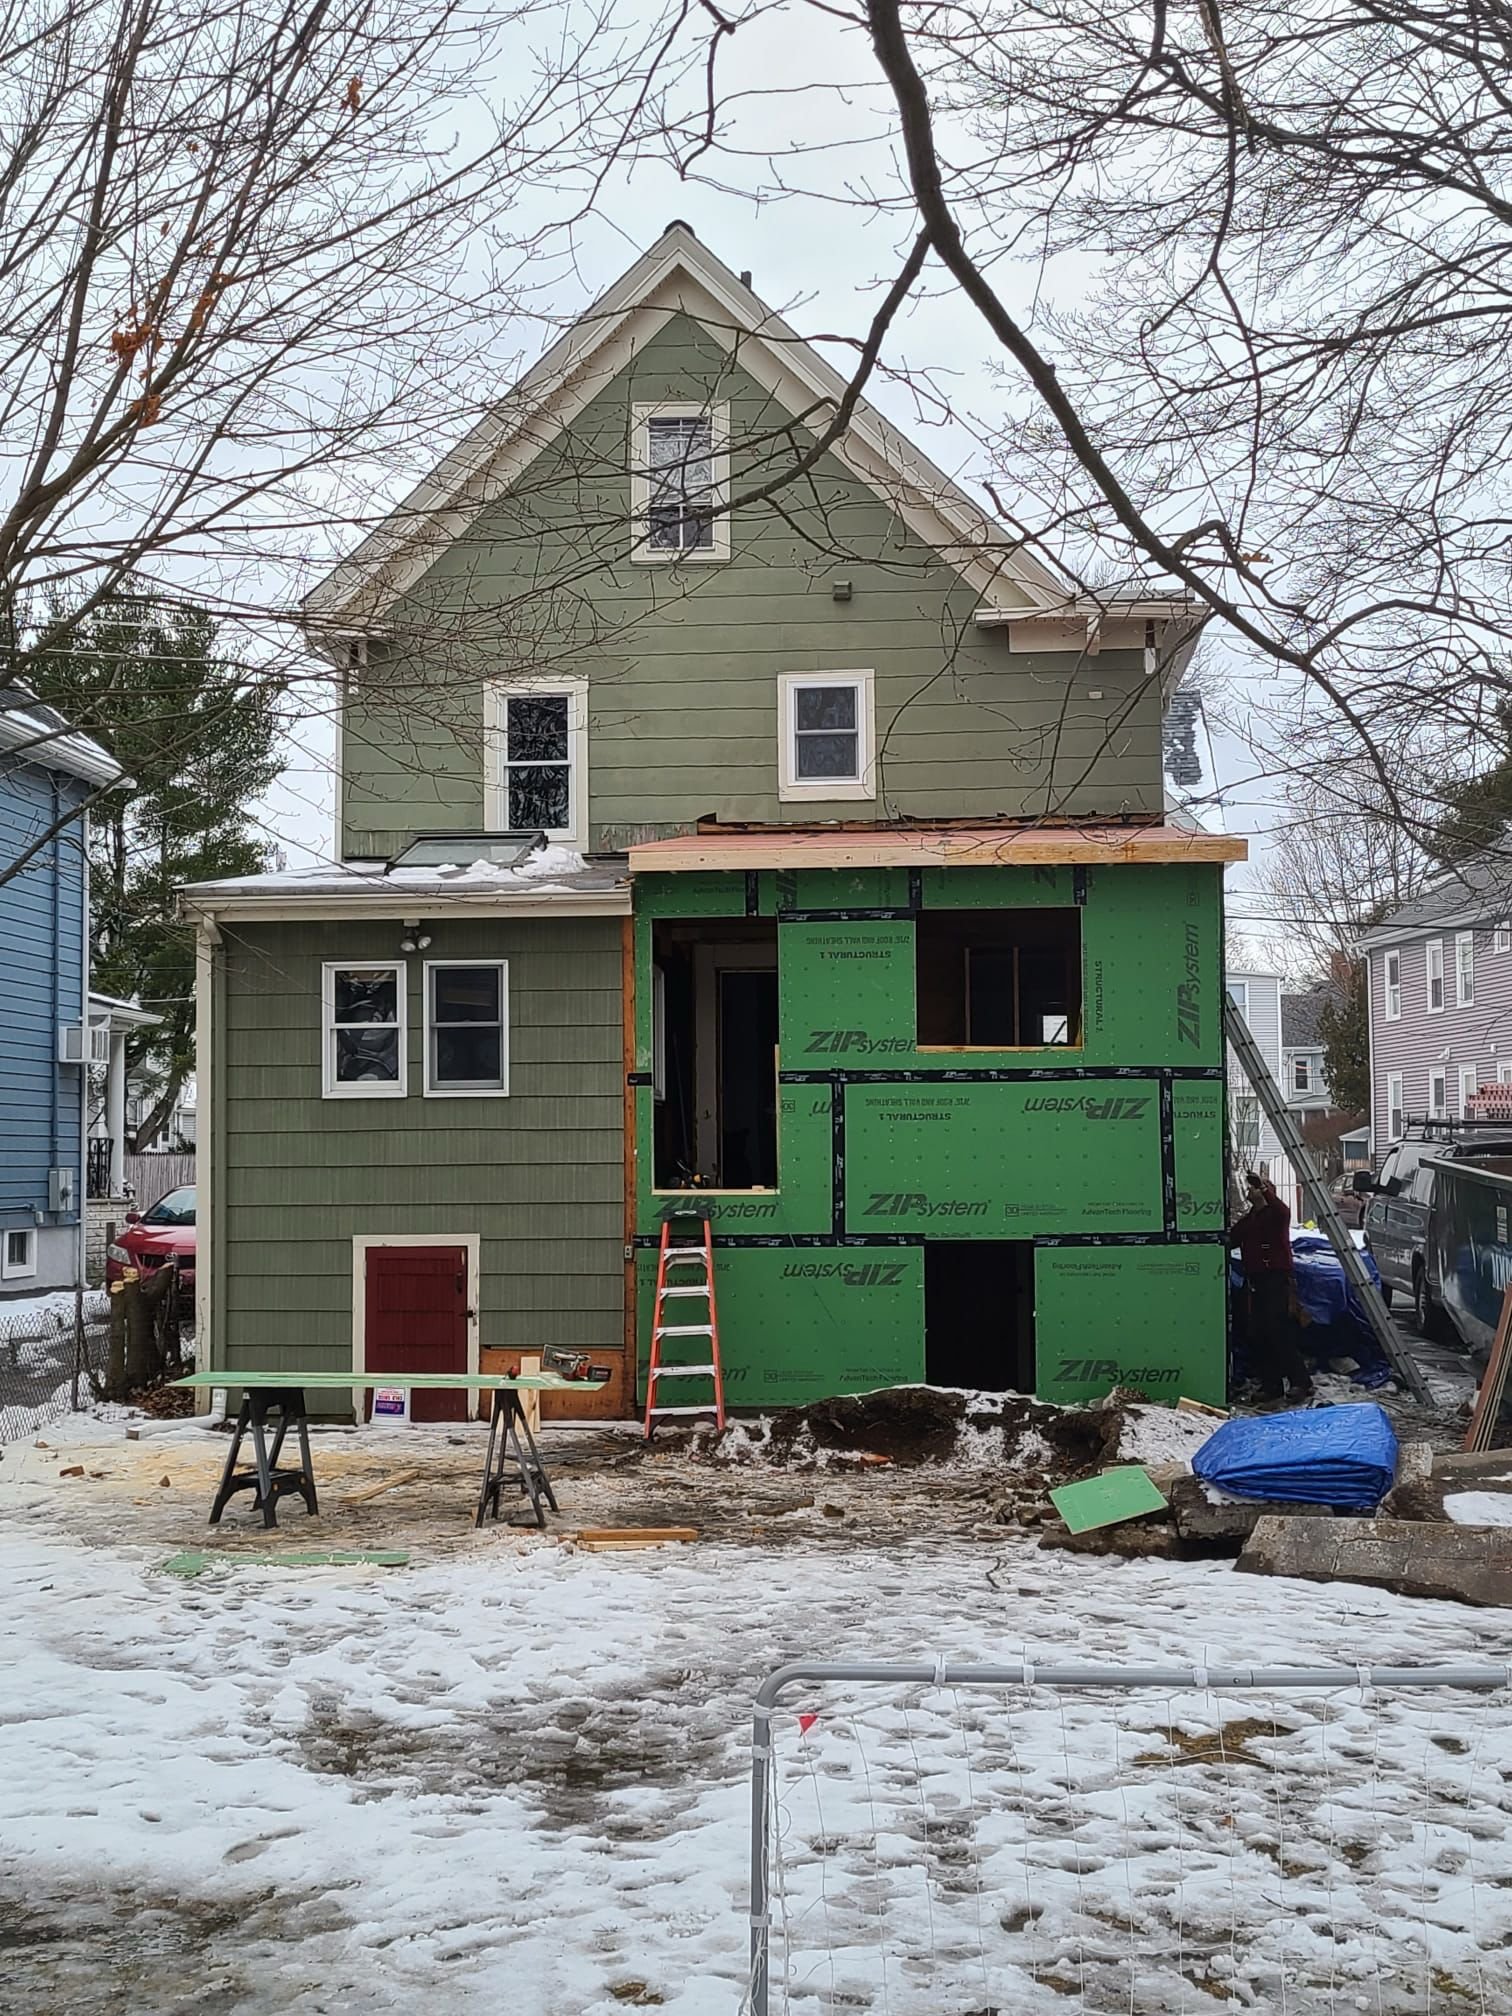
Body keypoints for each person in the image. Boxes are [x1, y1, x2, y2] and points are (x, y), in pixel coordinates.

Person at [1230, 1172, 1314, 1403]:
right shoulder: (1251, 1219)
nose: (1250, 1190)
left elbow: (1282, 1209)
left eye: (1255, 1188)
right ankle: (1271, 1385)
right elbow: (1233, 1238)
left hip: (1275, 1280)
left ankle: (1300, 1382)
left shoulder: (1276, 1215)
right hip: (1256, 1281)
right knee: (1260, 1334)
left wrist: (1264, 1188)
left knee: (1279, 1332)